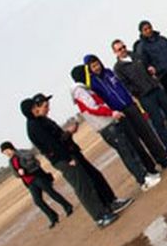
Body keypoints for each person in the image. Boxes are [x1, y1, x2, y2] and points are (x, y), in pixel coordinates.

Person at [23, 94, 129, 228]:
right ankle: (100, 217)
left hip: (71, 153)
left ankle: (110, 203)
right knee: (84, 187)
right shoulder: (34, 126)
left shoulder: (42, 120)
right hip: (64, 159)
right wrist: (67, 158)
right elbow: (51, 145)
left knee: (94, 177)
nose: (46, 109)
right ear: (33, 109)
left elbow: (58, 137)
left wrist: (69, 134)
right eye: (42, 107)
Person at [71, 64, 162, 190]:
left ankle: (145, 175)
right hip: (106, 126)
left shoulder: (84, 89)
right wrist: (111, 112)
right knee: (127, 153)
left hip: (109, 123)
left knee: (129, 150)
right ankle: (143, 180)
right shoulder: (80, 91)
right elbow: (93, 107)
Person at [82, 54, 167, 168]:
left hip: (130, 106)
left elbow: (122, 87)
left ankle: (162, 158)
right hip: (119, 114)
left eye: (97, 64)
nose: (97, 68)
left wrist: (133, 102)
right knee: (135, 142)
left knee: (147, 133)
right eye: (93, 66)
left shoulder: (109, 72)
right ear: (89, 68)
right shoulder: (92, 84)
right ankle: (150, 167)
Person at [111, 39, 167, 151]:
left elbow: (148, 65)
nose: (123, 50)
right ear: (115, 52)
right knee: (158, 121)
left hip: (155, 88)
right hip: (145, 96)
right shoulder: (118, 68)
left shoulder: (136, 55)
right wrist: (138, 91)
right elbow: (126, 85)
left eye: (123, 47)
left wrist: (151, 69)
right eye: (119, 49)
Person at [0, 141, 73, 229]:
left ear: (10, 148)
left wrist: (24, 169)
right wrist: (19, 173)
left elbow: (35, 162)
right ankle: (53, 217)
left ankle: (67, 207)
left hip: (37, 177)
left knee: (52, 193)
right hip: (29, 183)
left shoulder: (22, 153)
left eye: (6, 151)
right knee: (37, 201)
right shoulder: (11, 161)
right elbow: (15, 174)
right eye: (4, 153)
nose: (6, 154)